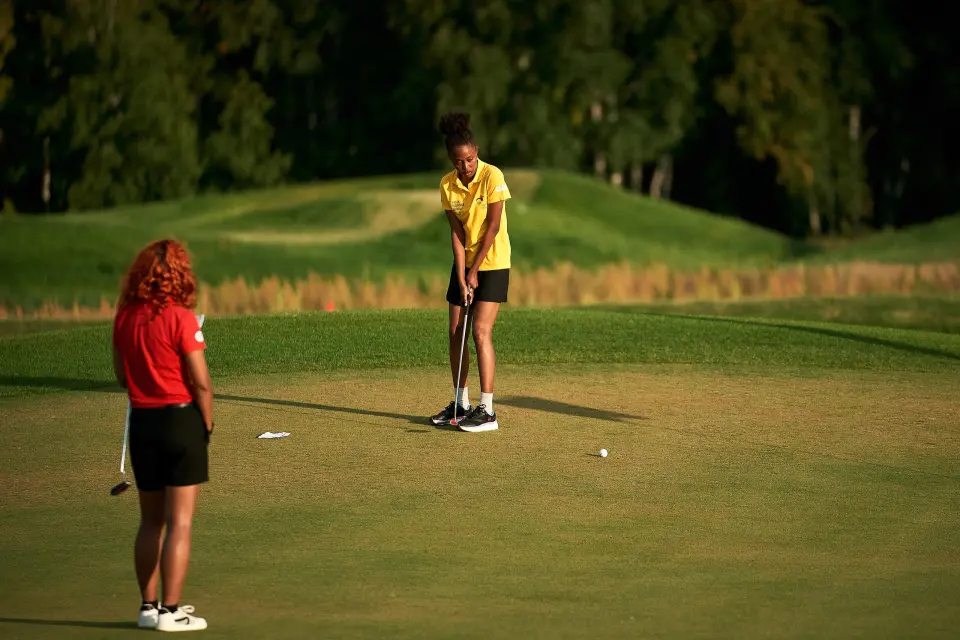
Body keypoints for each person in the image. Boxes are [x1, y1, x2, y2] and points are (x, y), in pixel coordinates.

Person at [112, 239, 213, 632]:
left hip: (142, 423)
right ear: (180, 275)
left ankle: (148, 608)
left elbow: (122, 376)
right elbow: (202, 384)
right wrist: (206, 426)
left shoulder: (124, 317)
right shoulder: (181, 318)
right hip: (180, 421)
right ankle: (172, 612)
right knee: (180, 523)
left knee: (149, 522)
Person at [429, 111, 512, 433]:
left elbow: (492, 228)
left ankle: (487, 410)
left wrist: (475, 272)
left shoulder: (492, 176)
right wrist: (462, 275)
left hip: (493, 263)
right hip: (465, 264)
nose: (466, 166)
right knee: (456, 334)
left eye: (470, 159)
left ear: (476, 151)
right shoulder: (447, 186)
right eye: (459, 161)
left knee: (480, 333)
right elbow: (457, 233)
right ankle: (461, 403)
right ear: (451, 159)